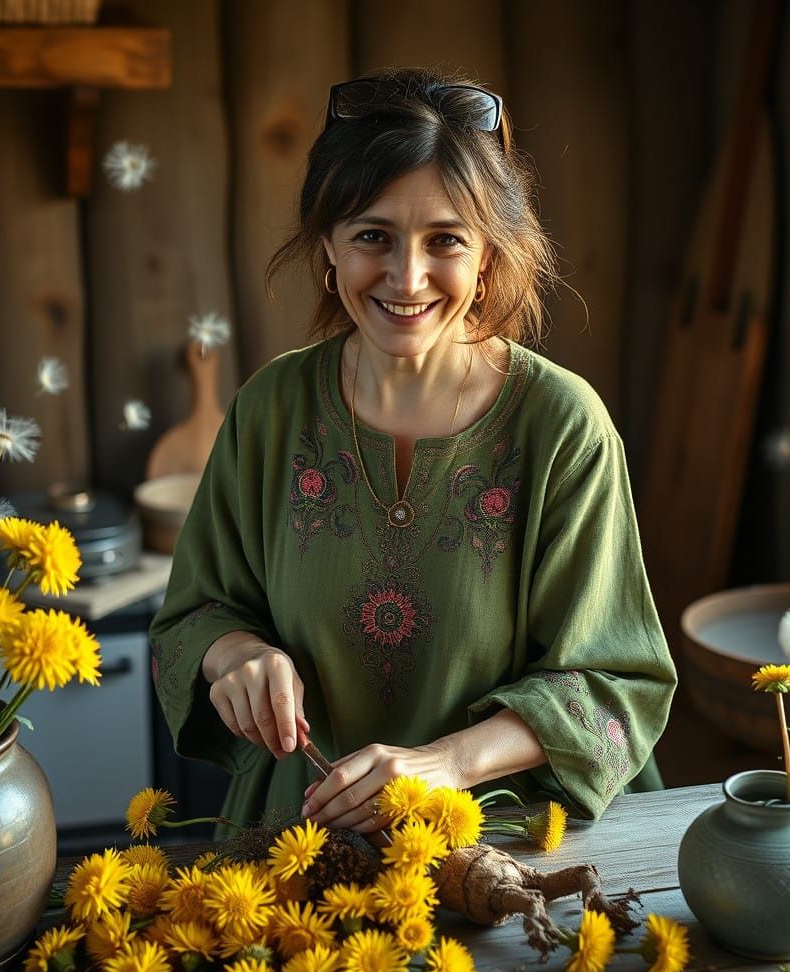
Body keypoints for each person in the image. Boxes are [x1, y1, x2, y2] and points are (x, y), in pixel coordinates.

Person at [149, 68, 677, 838]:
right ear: (326, 243)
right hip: (295, 849)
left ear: (489, 254)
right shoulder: (270, 412)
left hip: (506, 852)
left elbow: (614, 687)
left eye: (446, 241)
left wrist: (449, 763)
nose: (407, 277)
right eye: (373, 236)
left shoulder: (562, 427)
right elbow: (192, 615)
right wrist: (234, 657)